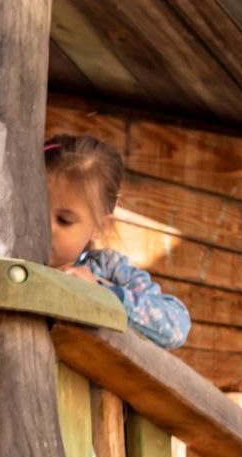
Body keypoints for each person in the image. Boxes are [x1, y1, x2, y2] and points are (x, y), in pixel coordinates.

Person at [45, 134, 190, 350]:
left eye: (64, 220)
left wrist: (102, 296)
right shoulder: (6, 252)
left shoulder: (108, 270)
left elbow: (176, 325)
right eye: (35, 209)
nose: (47, 227)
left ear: (99, 227)